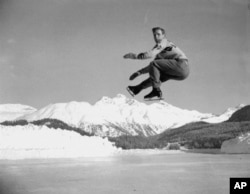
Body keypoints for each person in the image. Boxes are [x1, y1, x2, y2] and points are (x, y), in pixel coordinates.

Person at [123, 27, 190, 100]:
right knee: (156, 76)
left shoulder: (164, 42)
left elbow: (151, 55)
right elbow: (152, 68)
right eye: (154, 35)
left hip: (180, 63)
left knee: (154, 65)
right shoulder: (159, 51)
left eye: (158, 34)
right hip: (181, 73)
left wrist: (135, 56)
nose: (156, 36)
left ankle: (156, 90)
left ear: (163, 35)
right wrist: (139, 72)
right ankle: (137, 89)